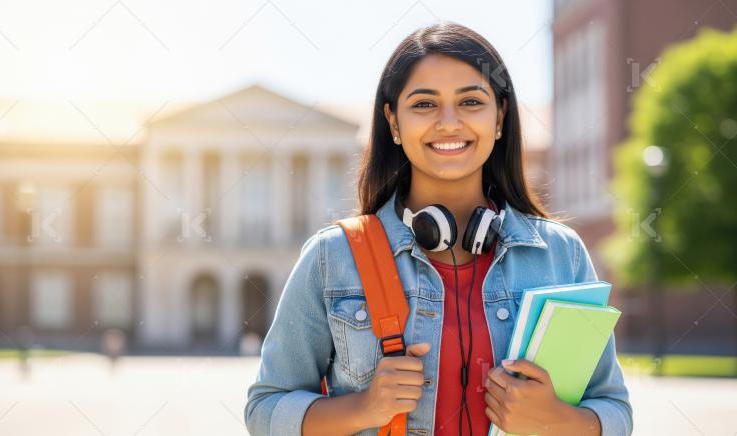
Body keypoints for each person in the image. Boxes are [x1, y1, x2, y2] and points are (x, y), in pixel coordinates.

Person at [245, 22, 633, 436]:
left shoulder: (560, 253)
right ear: (393, 122)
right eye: (424, 105)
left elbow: (613, 409)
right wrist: (364, 408)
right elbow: (265, 409)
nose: (449, 123)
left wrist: (559, 421)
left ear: (499, 116)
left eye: (470, 101)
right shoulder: (333, 256)